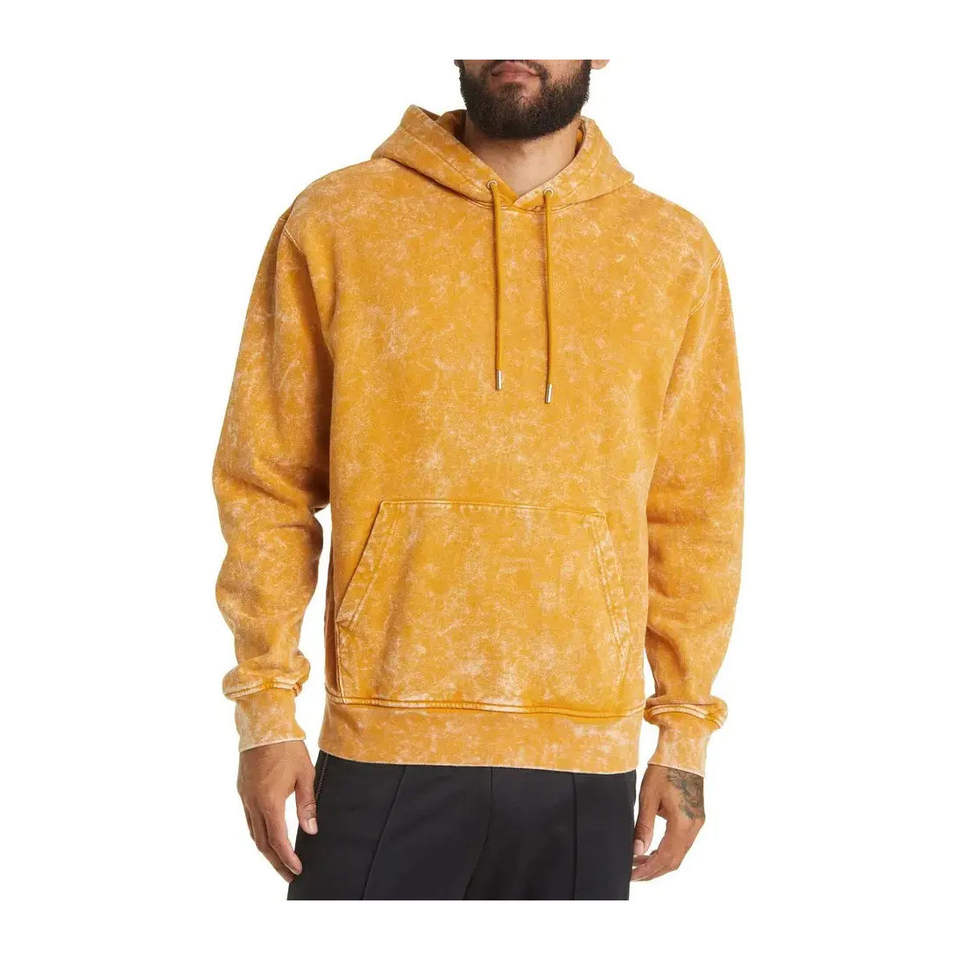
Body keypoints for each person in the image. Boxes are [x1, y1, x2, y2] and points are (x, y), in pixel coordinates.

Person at [213, 59, 744, 900]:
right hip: (382, 737)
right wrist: (265, 715)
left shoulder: (670, 249)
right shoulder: (339, 219)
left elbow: (696, 510)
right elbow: (265, 481)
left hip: (585, 755)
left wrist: (684, 735)